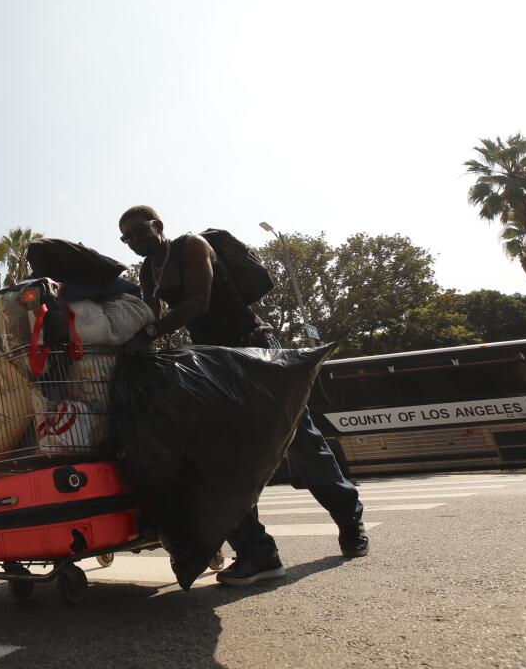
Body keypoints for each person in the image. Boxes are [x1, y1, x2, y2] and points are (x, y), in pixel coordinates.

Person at [118, 204, 368, 587]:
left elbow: (198, 302)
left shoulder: (192, 246)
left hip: (253, 349)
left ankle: (350, 521)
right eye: (128, 237)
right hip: (217, 365)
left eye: (139, 231)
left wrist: (151, 334)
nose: (135, 241)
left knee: (301, 441)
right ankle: (258, 552)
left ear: (158, 226)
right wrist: (133, 337)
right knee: (221, 457)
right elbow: (150, 315)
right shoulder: (148, 270)